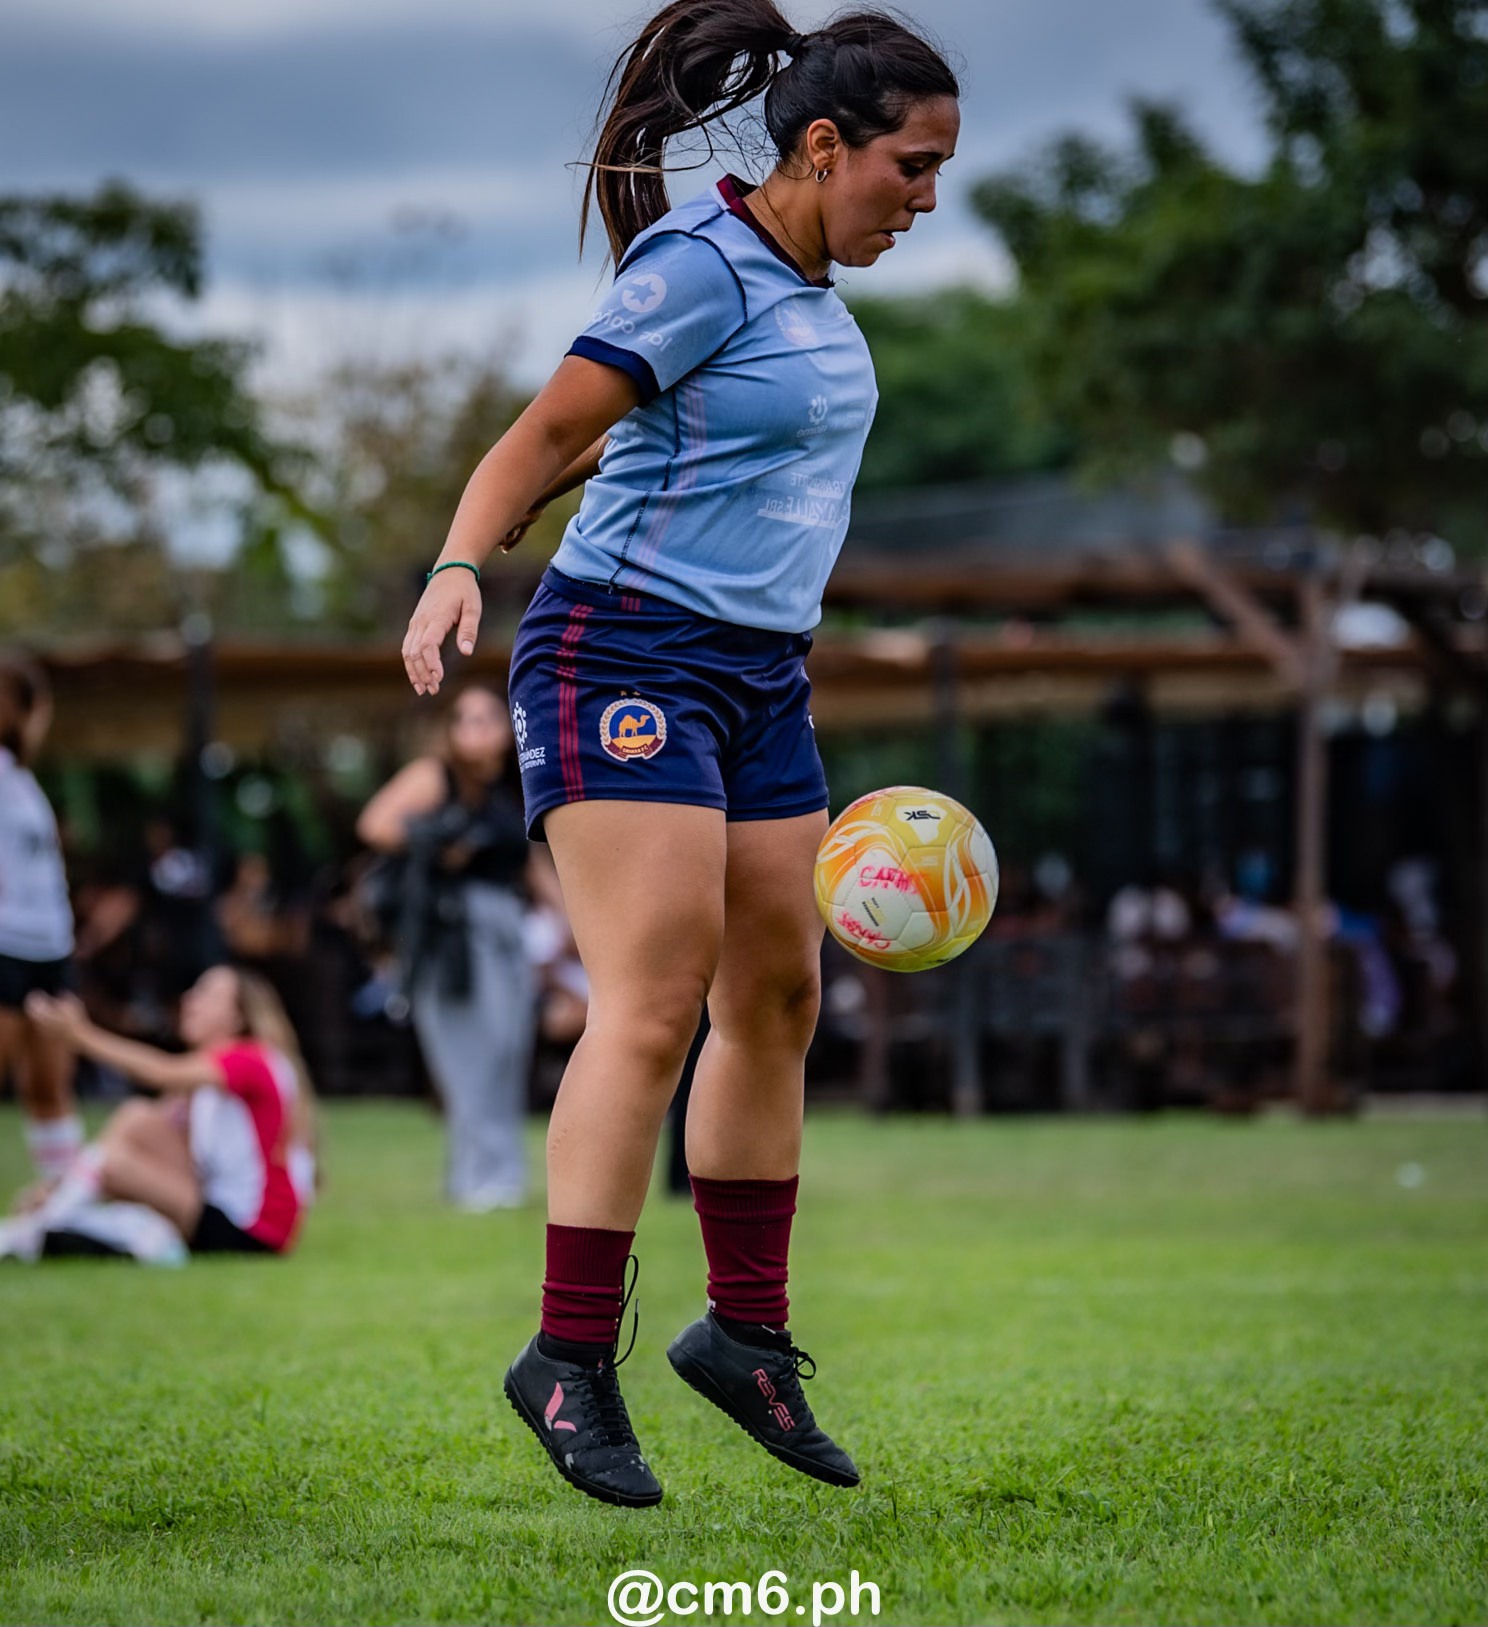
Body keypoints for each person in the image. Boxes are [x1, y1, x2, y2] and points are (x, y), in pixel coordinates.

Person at [399, 0, 960, 1507]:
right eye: (910, 167)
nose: (925, 198)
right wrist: (462, 557)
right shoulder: (698, 265)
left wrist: (577, 473)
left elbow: (650, 433)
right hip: (623, 653)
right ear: (822, 147)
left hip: (760, 676)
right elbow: (541, 426)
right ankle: (567, 1359)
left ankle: (746, 1334)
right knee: (651, 1000)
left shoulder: (806, 303)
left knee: (776, 991)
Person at [358, 682, 563, 1210]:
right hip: (451, 928)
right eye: (464, 719)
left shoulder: (513, 786)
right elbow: (376, 824)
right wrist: (436, 840)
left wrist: (570, 924)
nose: (476, 730)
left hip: (507, 924)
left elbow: (531, 864)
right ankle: (477, 1180)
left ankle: (500, 1176)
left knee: (509, 1045)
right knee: (469, 1051)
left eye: (487, 718)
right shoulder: (436, 776)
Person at [4, 966, 317, 1260]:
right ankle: (69, 1217)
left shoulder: (250, 1058)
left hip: (251, 1229)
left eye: (209, 995)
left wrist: (82, 1036)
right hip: (217, 1206)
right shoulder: (211, 1076)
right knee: (136, 1118)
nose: (191, 1000)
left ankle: (43, 1224)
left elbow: (161, 1071)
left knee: (114, 1163)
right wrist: (67, 1182)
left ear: (238, 1017)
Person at [0, 658, 84, 1184]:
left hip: (50, 946)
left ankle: (63, 1199)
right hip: (6, 942)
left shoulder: (25, 782)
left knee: (50, 1084)